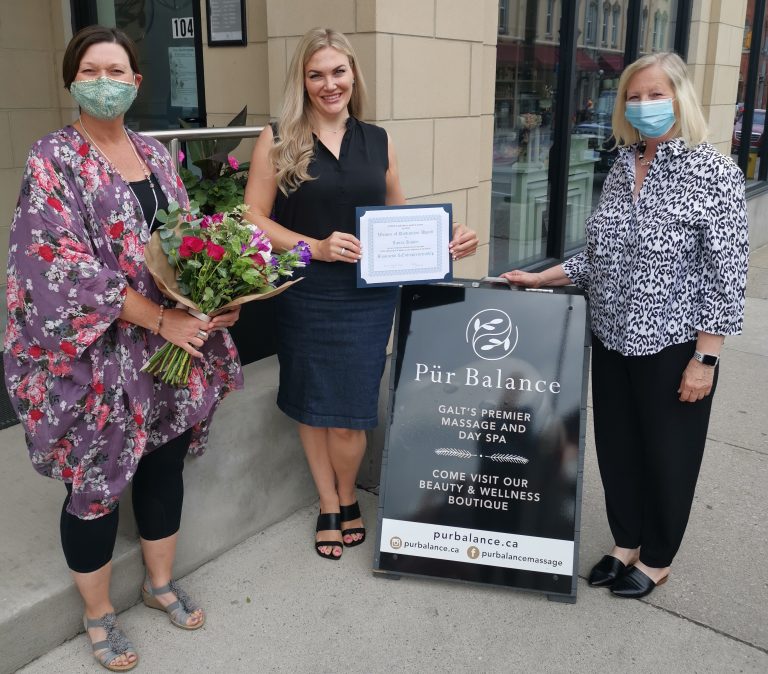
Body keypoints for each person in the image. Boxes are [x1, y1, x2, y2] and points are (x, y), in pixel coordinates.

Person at [3, 26, 243, 671]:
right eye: (91, 69)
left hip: (169, 345)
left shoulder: (159, 156)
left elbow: (191, 238)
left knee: (163, 462)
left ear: (137, 83)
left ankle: (159, 582)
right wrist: (157, 319)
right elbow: (52, 262)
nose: (104, 80)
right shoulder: (52, 156)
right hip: (98, 355)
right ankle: (98, 614)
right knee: (97, 480)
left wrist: (217, 292)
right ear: (72, 80)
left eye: (117, 70)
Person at [503, 52, 748, 599]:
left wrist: (705, 358)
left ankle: (657, 555)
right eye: (633, 97)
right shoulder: (621, 165)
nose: (643, 106)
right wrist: (544, 279)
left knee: (668, 452)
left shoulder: (715, 173)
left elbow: (726, 274)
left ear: (680, 99)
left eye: (655, 95)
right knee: (617, 446)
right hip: (611, 337)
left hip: (673, 343)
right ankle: (626, 540)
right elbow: (600, 255)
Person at [244, 28, 478, 561]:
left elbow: (403, 216)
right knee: (311, 402)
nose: (330, 84)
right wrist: (315, 247)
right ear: (303, 81)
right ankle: (330, 503)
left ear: (354, 75)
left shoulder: (379, 139)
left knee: (350, 411)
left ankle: (347, 492)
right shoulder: (278, 136)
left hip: (368, 297)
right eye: (317, 74)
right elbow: (252, 217)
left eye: (339, 72)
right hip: (304, 289)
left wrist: (447, 239)